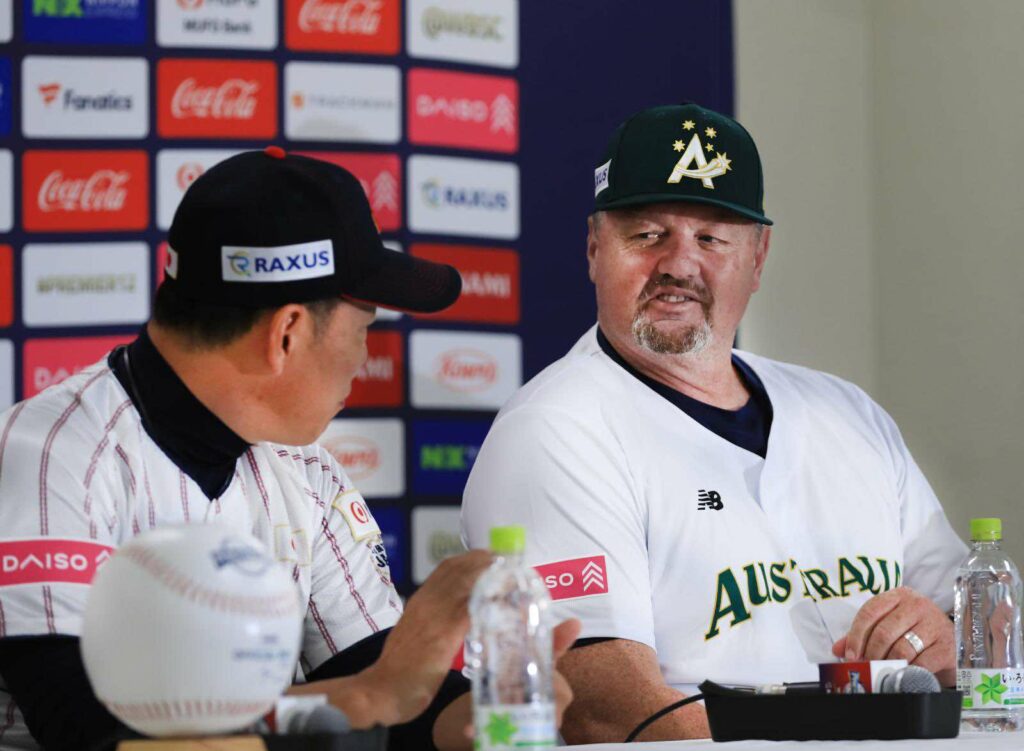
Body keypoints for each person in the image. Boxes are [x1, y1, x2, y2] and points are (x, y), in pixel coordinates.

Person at [0, 149, 578, 751]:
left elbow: (388, 693)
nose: (364, 360)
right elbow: (89, 736)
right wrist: (367, 698)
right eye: (364, 329)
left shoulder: (306, 471)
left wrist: (488, 711)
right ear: (287, 333)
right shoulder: (49, 454)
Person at [461, 104, 966, 743]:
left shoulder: (849, 414)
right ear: (595, 248)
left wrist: (944, 642)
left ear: (758, 257)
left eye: (711, 238)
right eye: (647, 235)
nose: (678, 264)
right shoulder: (554, 430)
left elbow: (982, 624)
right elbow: (605, 711)